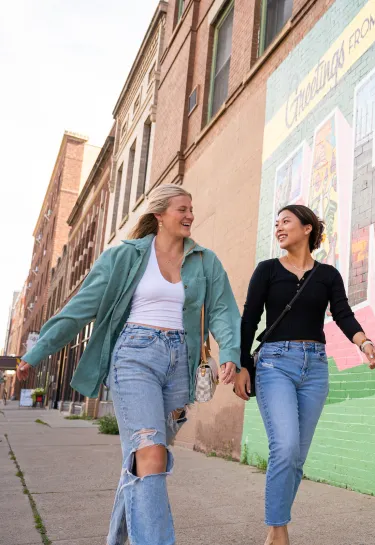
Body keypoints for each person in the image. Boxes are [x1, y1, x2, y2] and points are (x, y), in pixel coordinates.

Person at [16, 184, 241, 545]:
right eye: (181, 209)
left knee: (142, 461)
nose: (190, 216)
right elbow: (80, 308)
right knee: (150, 453)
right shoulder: (124, 257)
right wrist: (37, 351)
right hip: (134, 356)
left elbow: (223, 310)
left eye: (192, 208)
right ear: (159, 215)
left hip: (180, 363)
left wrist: (230, 352)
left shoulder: (204, 260)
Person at [236, 204, 375, 545]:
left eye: (286, 221)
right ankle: (279, 530)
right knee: (284, 448)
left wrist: (365, 343)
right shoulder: (267, 270)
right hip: (274, 364)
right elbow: (249, 319)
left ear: (307, 229)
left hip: (315, 367)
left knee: (297, 457)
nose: (279, 228)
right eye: (276, 224)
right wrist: (244, 364)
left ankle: (275, 527)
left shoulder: (328, 275)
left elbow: (343, 314)